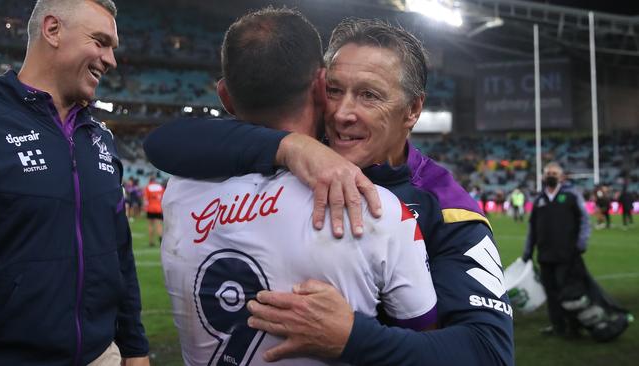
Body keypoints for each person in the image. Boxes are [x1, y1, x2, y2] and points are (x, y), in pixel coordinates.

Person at [145, 17, 514, 365]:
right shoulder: (298, 147)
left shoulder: (447, 207)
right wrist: (291, 146)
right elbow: (167, 142)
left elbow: (489, 351)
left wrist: (353, 337)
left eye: (369, 95)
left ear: (412, 109)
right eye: (335, 91)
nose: (342, 113)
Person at [0, 1, 149, 365]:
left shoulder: (100, 138)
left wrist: (136, 348)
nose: (111, 60)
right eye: (100, 41)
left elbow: (119, 253)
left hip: (101, 354)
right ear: (52, 30)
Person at [522, 162, 629, 341]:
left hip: (567, 255)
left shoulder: (571, 196)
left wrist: (581, 243)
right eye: (548, 173)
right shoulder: (539, 200)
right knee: (551, 293)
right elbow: (532, 228)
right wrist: (527, 251)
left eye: (554, 173)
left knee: (570, 293)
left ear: (561, 177)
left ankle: (574, 326)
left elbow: (585, 221)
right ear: (543, 176)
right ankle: (558, 326)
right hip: (545, 255)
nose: (551, 175)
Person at [143, 175, 164, 247]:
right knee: (159, 225)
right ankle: (161, 240)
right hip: (158, 208)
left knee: (150, 225)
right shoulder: (160, 187)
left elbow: (145, 199)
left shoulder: (148, 187)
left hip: (150, 208)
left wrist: (144, 208)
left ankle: (151, 241)